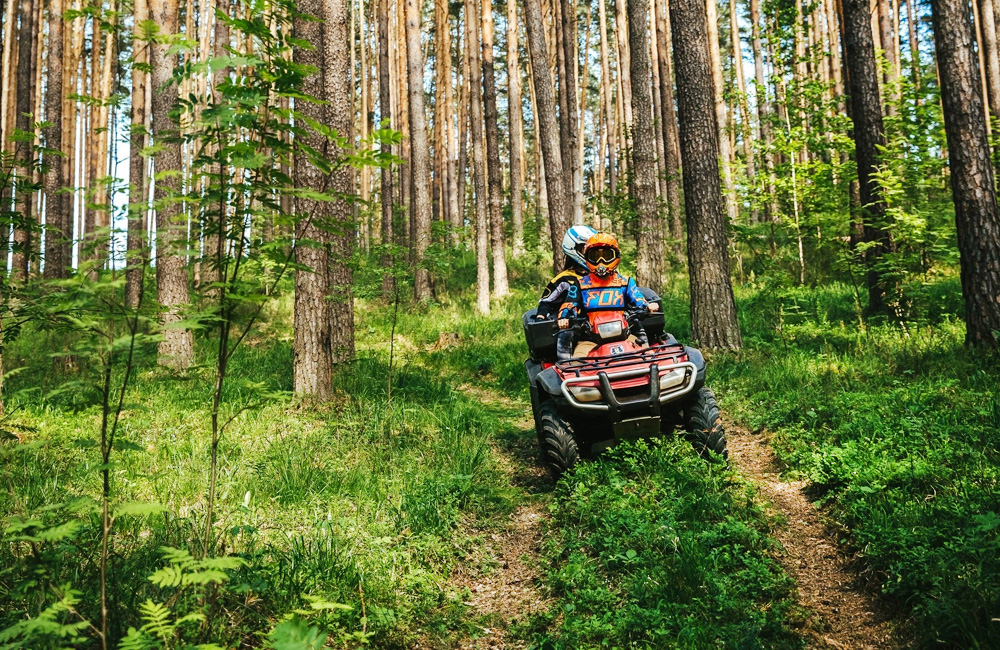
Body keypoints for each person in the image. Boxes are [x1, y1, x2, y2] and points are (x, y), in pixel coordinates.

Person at [544, 232, 659, 360]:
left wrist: (647, 306)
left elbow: (637, 298)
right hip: (591, 339)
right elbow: (570, 303)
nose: (601, 262)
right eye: (595, 256)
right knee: (575, 366)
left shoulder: (625, 282)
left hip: (625, 335)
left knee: (648, 357)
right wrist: (564, 317)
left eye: (606, 256)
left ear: (616, 256)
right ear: (587, 258)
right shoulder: (580, 284)